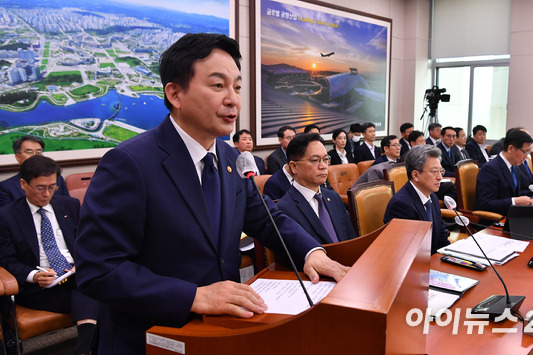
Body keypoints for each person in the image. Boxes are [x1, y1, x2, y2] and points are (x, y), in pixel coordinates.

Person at [74, 33, 348, 353]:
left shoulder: (229, 158)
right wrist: (194, 296)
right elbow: (99, 269)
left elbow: (265, 216)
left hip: (222, 332)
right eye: (218, 86)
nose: (233, 99)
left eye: (237, 86)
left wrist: (312, 253)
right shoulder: (129, 163)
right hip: (155, 338)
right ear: (175, 93)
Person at [0, 155, 99, 355]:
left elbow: (85, 242)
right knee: (96, 294)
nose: (47, 194)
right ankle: (87, 347)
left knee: (93, 283)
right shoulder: (7, 216)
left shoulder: (69, 205)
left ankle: (84, 348)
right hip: (40, 285)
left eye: (52, 187)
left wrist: (82, 263)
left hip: (75, 274)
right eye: (40, 187)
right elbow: (6, 260)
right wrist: (34, 276)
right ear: (23, 184)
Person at [277, 134, 356, 244]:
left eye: (325, 159)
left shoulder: (333, 198)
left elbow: (351, 239)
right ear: (294, 166)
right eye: (315, 160)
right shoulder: (284, 209)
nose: (323, 166)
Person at [383, 145, 451, 255]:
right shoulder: (401, 205)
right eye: (434, 172)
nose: (440, 177)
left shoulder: (431, 196)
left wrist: (451, 258)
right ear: (415, 175)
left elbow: (441, 236)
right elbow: (409, 253)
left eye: (441, 171)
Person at [474, 130, 533, 216]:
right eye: (525, 152)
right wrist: (514, 201)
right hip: (496, 220)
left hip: (514, 216)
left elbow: (518, 193)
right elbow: (486, 204)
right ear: (511, 148)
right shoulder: (490, 169)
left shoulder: (515, 166)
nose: (526, 156)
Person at [0, 135, 69, 208]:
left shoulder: (57, 179)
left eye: (38, 152)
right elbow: (6, 217)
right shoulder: (6, 187)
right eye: (29, 152)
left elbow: (67, 206)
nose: (35, 156)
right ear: (18, 157)